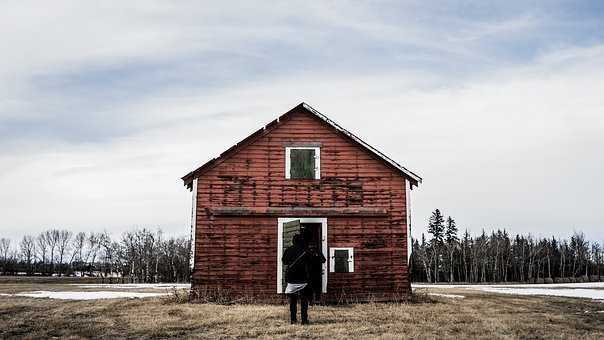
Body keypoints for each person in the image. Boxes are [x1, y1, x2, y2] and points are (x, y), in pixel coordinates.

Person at [282, 234, 311, 325]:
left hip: (291, 278)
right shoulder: (305, 251)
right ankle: (304, 320)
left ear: (293, 241)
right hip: (303, 278)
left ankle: (293, 320)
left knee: (293, 301)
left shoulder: (288, 250)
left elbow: (284, 261)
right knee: (304, 301)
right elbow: (310, 263)